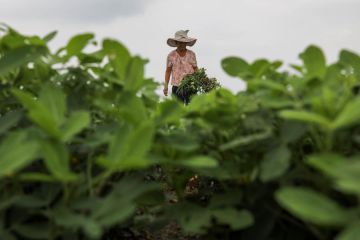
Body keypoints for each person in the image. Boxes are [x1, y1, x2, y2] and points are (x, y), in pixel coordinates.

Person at [163, 30, 198, 105]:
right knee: (178, 110)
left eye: (184, 42)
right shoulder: (171, 55)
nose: (182, 44)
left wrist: (201, 80)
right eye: (180, 42)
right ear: (176, 43)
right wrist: (166, 86)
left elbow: (195, 68)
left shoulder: (191, 54)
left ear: (186, 43)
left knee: (192, 108)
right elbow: (168, 71)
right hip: (177, 87)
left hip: (191, 86)